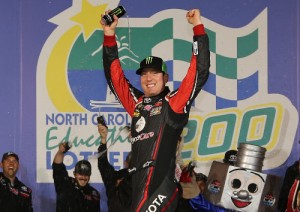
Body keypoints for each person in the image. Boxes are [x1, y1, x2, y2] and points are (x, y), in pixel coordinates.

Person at [101, 8, 210, 211]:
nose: (148, 78)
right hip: (138, 186)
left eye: (155, 74)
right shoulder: (137, 104)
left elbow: (199, 71)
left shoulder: (174, 102)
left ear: (165, 78)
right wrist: (109, 34)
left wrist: (197, 27)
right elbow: (115, 79)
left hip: (161, 188)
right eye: (144, 74)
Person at [52, 143, 100, 212]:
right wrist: (60, 151)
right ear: (75, 174)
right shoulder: (65, 184)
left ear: (90, 175)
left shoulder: (94, 194)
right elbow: (57, 166)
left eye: (86, 174)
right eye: (80, 174)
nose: (83, 177)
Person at [97, 122, 132, 212]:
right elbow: (102, 163)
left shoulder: (143, 177)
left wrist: (136, 140)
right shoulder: (116, 177)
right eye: (131, 162)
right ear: (125, 163)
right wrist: (103, 139)